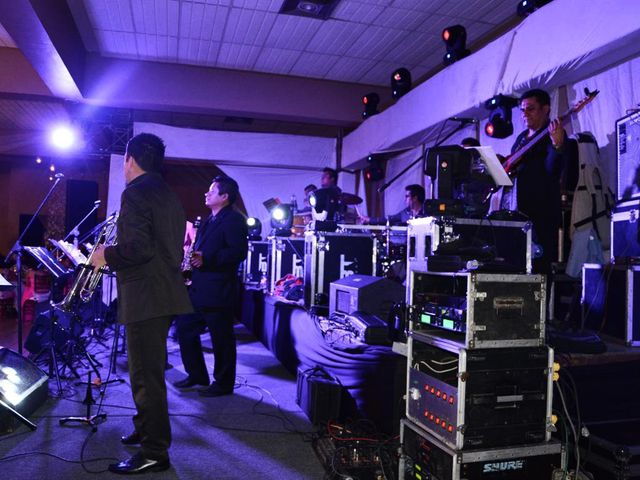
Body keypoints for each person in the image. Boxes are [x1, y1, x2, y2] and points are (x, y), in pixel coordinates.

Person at [91, 133, 192, 474]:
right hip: (163, 294)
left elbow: (138, 249)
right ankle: (145, 428)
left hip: (147, 296)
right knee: (146, 371)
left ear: (130, 160)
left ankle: (155, 451)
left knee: (145, 376)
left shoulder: (135, 193)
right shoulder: (167, 194)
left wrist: (106, 254)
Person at [173, 175, 248, 398]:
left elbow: (238, 252)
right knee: (185, 328)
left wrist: (208, 258)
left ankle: (224, 383)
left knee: (221, 339)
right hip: (199, 287)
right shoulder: (208, 219)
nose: (206, 194)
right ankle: (197, 374)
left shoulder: (234, 220)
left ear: (224, 197)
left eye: (212, 191)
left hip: (219, 289)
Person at [502, 88, 574, 273]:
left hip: (542, 215)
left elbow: (553, 170)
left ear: (545, 109)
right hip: (519, 212)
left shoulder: (554, 134)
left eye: (530, 109)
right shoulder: (520, 138)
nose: (525, 114)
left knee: (539, 270)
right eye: (522, 110)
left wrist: (557, 146)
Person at [360, 184, 425, 225]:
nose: (405, 199)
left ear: (415, 198)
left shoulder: (427, 212)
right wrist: (369, 219)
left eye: (407, 196)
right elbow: (388, 219)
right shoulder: (405, 213)